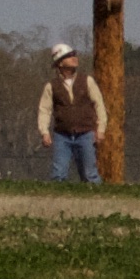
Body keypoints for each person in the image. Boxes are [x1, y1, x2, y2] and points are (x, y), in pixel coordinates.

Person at [36, 42, 105, 183]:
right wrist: (44, 132)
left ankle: (96, 200)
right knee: (58, 174)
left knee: (90, 174)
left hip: (86, 134)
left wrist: (101, 129)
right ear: (60, 63)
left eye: (74, 55)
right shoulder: (51, 86)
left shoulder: (87, 81)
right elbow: (44, 110)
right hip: (62, 136)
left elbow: (99, 105)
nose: (74, 58)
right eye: (69, 56)